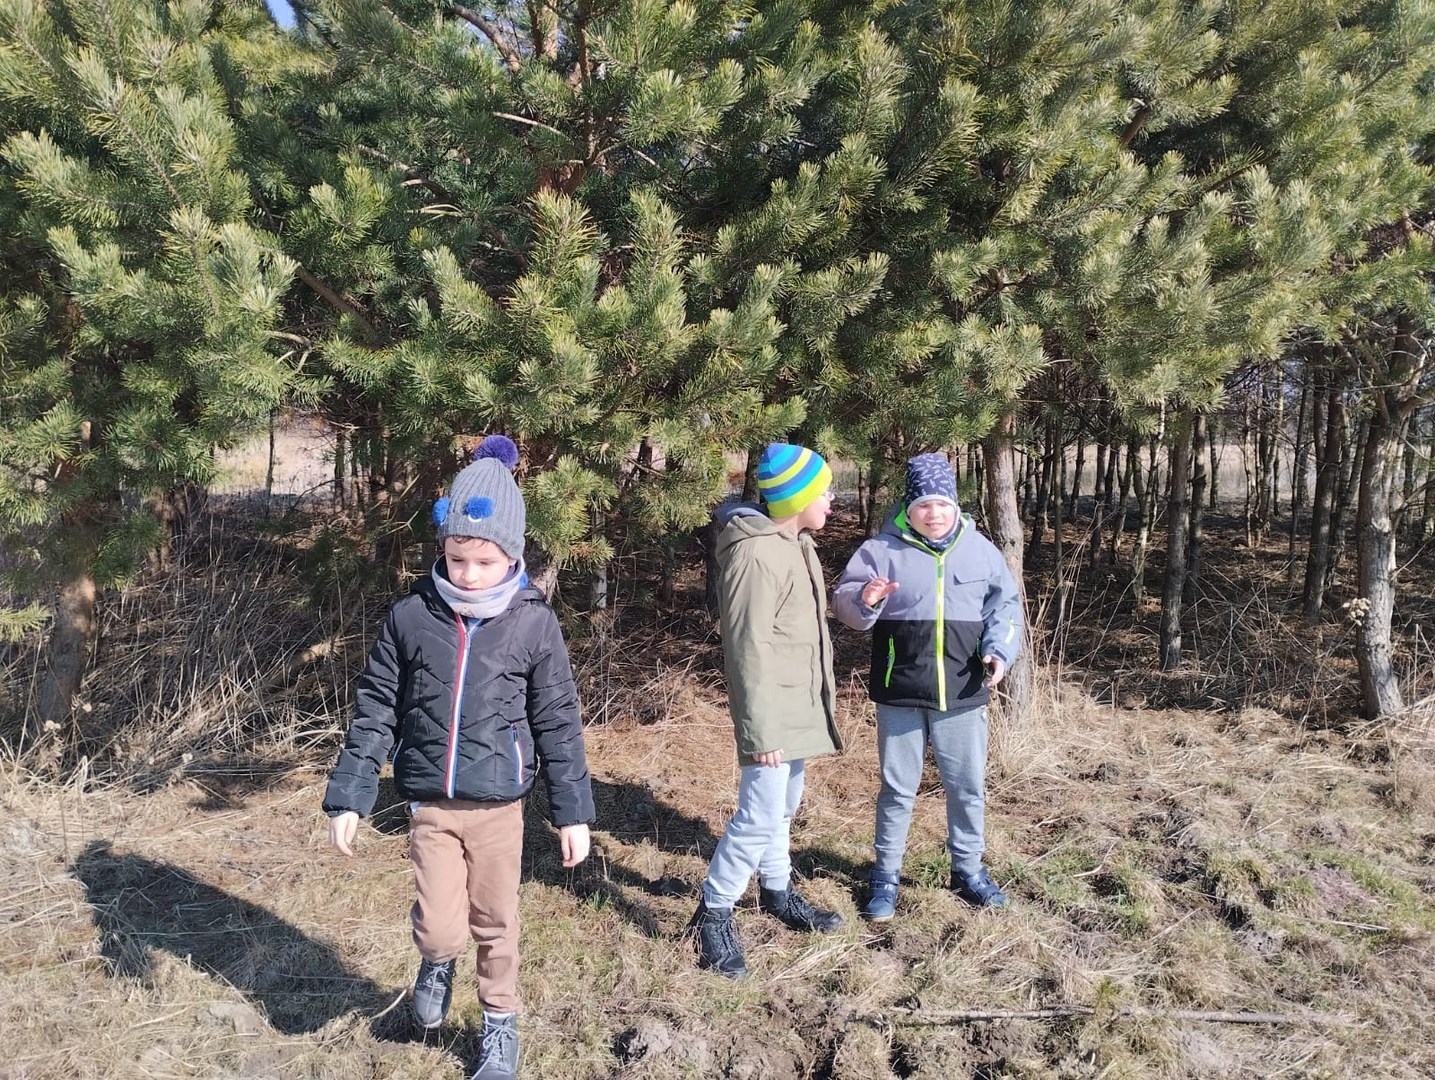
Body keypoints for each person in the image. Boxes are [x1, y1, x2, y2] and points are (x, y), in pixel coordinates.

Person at [323, 435, 593, 1080]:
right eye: (456, 558)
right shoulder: (412, 617)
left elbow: (558, 720)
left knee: (496, 922)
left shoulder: (533, 622)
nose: (468, 574)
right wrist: (351, 794)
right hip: (431, 806)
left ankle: (499, 1024)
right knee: (441, 929)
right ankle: (437, 963)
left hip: (499, 809)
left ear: (513, 556)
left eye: (484, 561)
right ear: (442, 548)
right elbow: (377, 707)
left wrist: (572, 812)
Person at [831, 452, 1023, 921]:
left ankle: (968, 870)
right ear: (908, 508)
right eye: (923, 505)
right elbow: (845, 607)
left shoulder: (981, 551)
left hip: (963, 691)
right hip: (899, 690)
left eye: (941, 505)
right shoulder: (880, 551)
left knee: (966, 786)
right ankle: (885, 876)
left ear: (954, 506)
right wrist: (865, 599)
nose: (933, 514)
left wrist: (999, 651)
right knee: (897, 789)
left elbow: (1005, 607)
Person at [689, 442, 846, 979]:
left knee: (782, 809)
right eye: (824, 491)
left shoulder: (797, 543)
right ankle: (714, 912)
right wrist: (760, 730)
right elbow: (747, 648)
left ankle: (777, 891)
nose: (831, 500)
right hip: (771, 713)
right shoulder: (755, 554)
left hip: (797, 703)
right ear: (797, 498)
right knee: (757, 816)